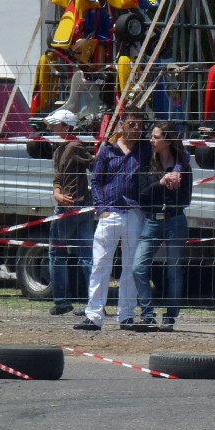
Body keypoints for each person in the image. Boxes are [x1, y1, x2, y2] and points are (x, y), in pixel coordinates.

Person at [78, 109, 151, 331]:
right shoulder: (108, 150)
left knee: (130, 266)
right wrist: (101, 209)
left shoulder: (146, 149)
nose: (136, 129)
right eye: (131, 124)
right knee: (100, 264)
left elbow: (176, 155)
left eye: (140, 125)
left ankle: (126, 315)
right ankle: (94, 315)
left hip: (135, 212)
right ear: (122, 124)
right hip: (110, 212)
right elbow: (96, 181)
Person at [133, 121, 191, 330]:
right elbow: (141, 196)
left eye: (156, 137)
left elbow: (186, 199)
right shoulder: (147, 164)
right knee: (138, 267)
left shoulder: (183, 166)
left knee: (174, 270)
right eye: (152, 136)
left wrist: (173, 186)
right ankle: (147, 314)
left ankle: (170, 315)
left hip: (175, 220)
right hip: (152, 221)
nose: (152, 140)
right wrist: (161, 183)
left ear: (168, 141)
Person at [45, 107, 94, 318]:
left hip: (71, 208)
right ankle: (93, 303)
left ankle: (63, 302)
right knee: (86, 255)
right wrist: (57, 192)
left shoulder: (74, 146)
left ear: (66, 127)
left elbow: (94, 165)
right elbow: (58, 177)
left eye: (55, 125)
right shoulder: (61, 148)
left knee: (58, 254)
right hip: (79, 206)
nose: (51, 128)